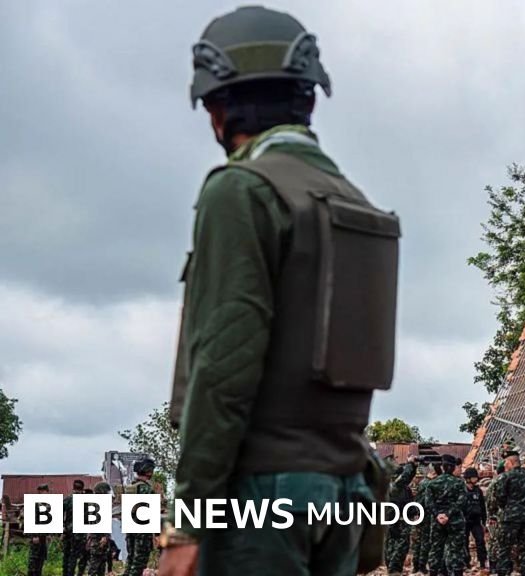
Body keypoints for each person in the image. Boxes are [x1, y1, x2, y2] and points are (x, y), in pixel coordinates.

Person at [162, 6, 399, 576]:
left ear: (218, 107)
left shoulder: (240, 191)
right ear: (310, 98)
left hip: (259, 499)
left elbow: (224, 366)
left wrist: (190, 519)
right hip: (344, 492)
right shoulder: (354, 202)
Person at [493, 450, 525, 576]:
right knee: (524, 548)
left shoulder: (505, 477)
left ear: (510, 462)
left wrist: (506, 507)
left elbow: (499, 497)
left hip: (510, 517)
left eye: (506, 462)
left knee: (505, 547)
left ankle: (504, 572)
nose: (505, 465)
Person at [426, 455, 469, 576]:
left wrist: (438, 515)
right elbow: (462, 501)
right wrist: (448, 514)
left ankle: (433, 572)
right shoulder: (459, 483)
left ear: (443, 467)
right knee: (456, 550)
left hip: (437, 522)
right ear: (452, 467)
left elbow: (428, 502)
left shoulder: (433, 483)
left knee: (435, 549)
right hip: (455, 521)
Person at [387, 456, 418, 576]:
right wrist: (410, 464)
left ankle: (393, 569)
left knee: (394, 545)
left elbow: (409, 501)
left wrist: (413, 466)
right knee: (400, 545)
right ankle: (394, 570)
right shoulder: (394, 485)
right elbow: (405, 477)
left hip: (399, 518)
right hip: (396, 520)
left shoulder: (403, 488)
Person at [126, 459, 156, 576]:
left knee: (131, 560)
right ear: (148, 471)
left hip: (130, 529)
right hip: (142, 531)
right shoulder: (146, 489)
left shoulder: (131, 487)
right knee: (139, 563)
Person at [414, 465, 441, 575]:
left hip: (421, 514)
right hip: (426, 515)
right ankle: (422, 566)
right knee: (426, 542)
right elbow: (427, 501)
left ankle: (417, 565)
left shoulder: (423, 483)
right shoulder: (429, 484)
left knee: (419, 541)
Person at [463, 467, 489, 571]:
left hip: (476, 521)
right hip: (465, 521)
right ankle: (466, 562)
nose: (476, 479)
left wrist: (484, 520)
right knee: (464, 542)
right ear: (468, 478)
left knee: (480, 541)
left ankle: (482, 562)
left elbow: (483, 507)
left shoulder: (478, 491)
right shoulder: (462, 490)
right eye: (474, 477)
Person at [86, 482, 113, 576]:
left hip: (97, 539)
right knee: (95, 566)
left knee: (101, 565)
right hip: (98, 539)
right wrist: (104, 536)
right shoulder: (98, 505)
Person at [487, 461, 507, 573]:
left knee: (495, 540)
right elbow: (491, 501)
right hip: (497, 516)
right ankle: (495, 565)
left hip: (496, 515)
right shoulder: (499, 482)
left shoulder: (494, 482)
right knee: (496, 540)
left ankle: (494, 565)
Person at [63, 479, 86, 576]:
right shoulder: (85, 501)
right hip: (80, 533)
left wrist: (62, 528)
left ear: (73, 488)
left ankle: (66, 574)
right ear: (82, 489)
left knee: (67, 555)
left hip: (68, 531)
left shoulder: (67, 500)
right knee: (78, 556)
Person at [28, 484, 49, 576]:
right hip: (36, 536)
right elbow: (30, 520)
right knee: (33, 560)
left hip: (44, 537)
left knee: (41, 560)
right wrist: (33, 535)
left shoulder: (48, 505)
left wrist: (49, 534)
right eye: (40, 491)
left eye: (44, 491)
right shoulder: (34, 503)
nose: (42, 493)